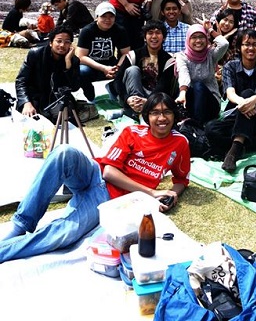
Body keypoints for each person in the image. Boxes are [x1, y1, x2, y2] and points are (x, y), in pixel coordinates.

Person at [0, 92, 190, 263]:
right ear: (147, 116)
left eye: (167, 112)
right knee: (64, 152)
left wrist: (171, 195)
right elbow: (109, 172)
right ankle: (20, 225)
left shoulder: (180, 143)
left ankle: (3, 251)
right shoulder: (132, 132)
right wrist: (152, 192)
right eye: (155, 113)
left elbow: (181, 179)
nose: (161, 118)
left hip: (111, 199)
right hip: (94, 175)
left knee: (65, 233)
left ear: (174, 115)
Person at [205, 30, 256, 172]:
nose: (251, 48)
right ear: (239, 47)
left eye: (255, 44)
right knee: (210, 129)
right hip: (236, 114)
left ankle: (234, 151)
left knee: (248, 93)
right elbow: (230, 93)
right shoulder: (230, 66)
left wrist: (252, 100)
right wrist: (243, 103)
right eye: (247, 44)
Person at [115, 20, 179, 118]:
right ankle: (137, 108)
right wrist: (127, 98)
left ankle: (141, 111)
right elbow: (118, 80)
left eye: (158, 33)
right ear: (145, 37)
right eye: (150, 33)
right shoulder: (133, 55)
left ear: (164, 37)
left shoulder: (168, 60)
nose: (154, 36)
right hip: (132, 96)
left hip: (155, 98)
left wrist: (149, 101)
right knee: (133, 70)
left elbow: (164, 86)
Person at [15, 26, 81, 118]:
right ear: (50, 43)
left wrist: (68, 65)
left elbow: (74, 87)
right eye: (59, 41)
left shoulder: (73, 60)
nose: (62, 45)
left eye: (67, 42)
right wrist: (26, 102)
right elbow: (21, 81)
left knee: (66, 119)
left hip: (58, 100)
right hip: (35, 98)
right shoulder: (35, 54)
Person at [76, 2, 130, 102]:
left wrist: (117, 67)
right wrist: (103, 68)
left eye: (111, 17)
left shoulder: (120, 30)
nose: (107, 20)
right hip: (92, 65)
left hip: (111, 63)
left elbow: (126, 53)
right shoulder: (87, 31)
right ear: (97, 17)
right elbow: (80, 57)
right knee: (81, 71)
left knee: (129, 68)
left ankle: (115, 90)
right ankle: (89, 95)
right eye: (103, 16)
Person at [176, 23, 229, 124]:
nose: (198, 41)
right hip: (189, 101)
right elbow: (183, 73)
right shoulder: (182, 57)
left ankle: (197, 125)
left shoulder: (211, 54)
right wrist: (183, 91)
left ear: (206, 38)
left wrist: (209, 29)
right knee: (191, 88)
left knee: (198, 85)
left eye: (201, 37)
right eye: (194, 37)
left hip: (211, 104)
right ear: (188, 39)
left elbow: (224, 44)